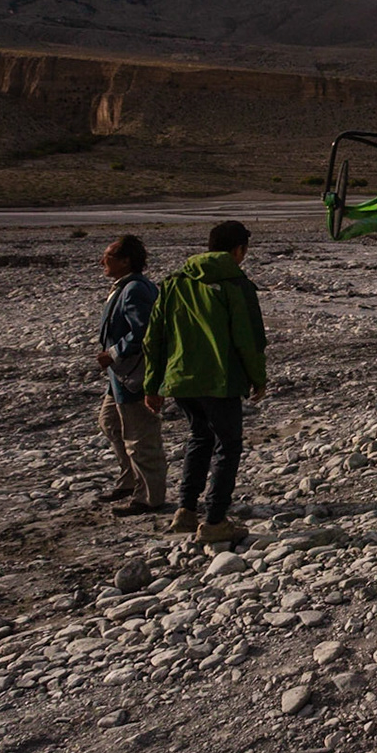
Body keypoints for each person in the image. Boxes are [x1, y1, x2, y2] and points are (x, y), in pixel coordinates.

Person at [143, 219, 268, 545]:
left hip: (180, 380)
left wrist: (152, 383)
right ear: (240, 250)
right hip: (219, 381)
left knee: (200, 437)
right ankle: (214, 519)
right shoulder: (235, 285)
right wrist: (258, 379)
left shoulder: (174, 283)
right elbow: (249, 339)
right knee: (228, 445)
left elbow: (154, 337)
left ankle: (185, 510)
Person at [95, 234, 166, 516]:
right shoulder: (126, 287)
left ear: (126, 261)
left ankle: (150, 497)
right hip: (121, 375)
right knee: (110, 423)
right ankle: (130, 480)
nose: (102, 262)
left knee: (140, 436)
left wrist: (113, 353)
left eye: (108, 257)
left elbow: (145, 331)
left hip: (134, 374)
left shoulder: (135, 289)